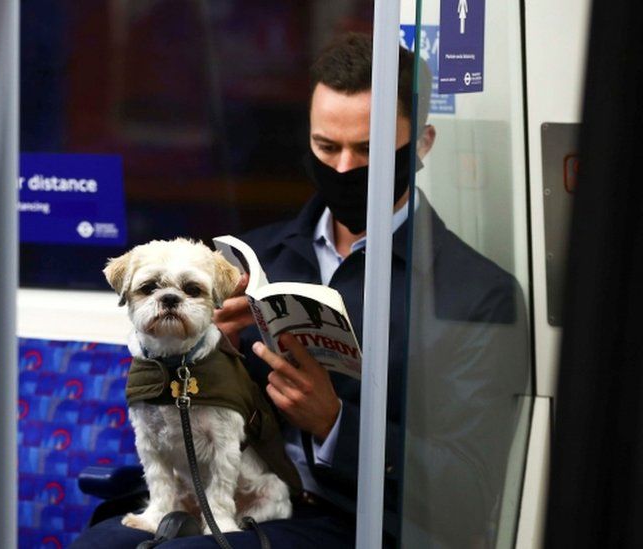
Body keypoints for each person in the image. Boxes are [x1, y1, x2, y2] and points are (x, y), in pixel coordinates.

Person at [73, 32, 531, 548]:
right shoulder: (252, 258)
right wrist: (204, 348)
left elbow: (471, 487)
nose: (341, 168)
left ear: (422, 144)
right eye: (326, 146)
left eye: (368, 150)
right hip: (233, 491)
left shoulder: (477, 293)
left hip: (358, 519)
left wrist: (336, 424)